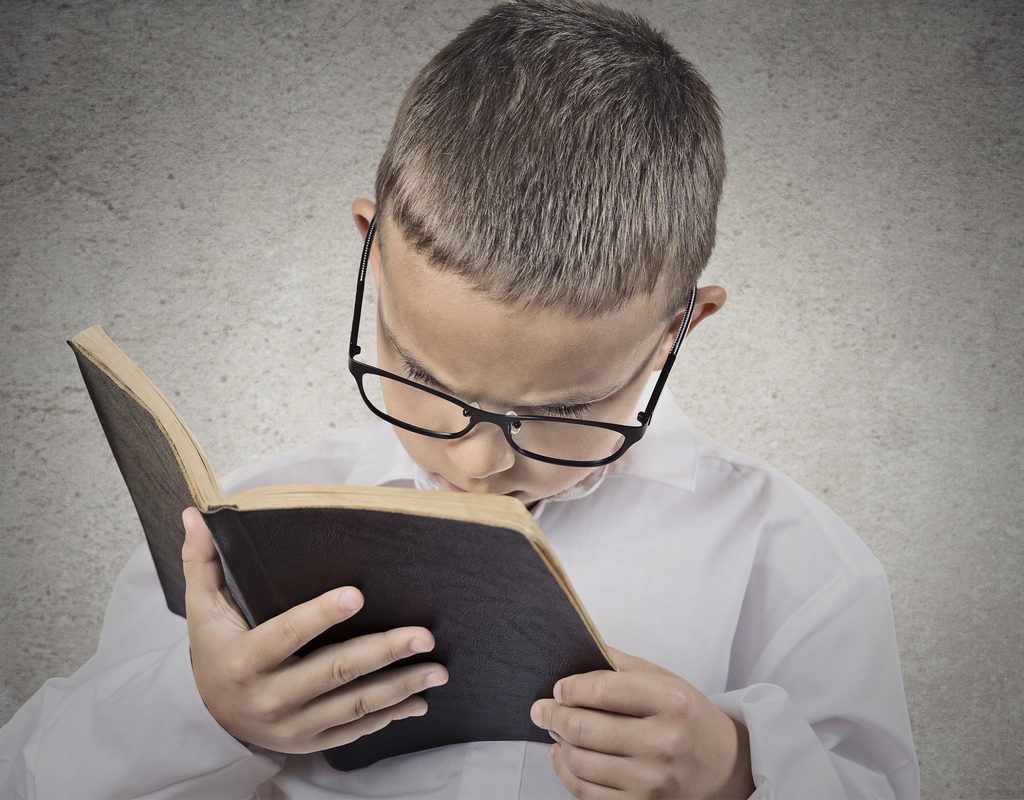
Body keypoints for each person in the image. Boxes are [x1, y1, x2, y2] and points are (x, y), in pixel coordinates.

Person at [0, 1, 920, 797]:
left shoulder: (793, 563)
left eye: (561, 411)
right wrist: (206, 712)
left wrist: (737, 771)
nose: (480, 461)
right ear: (370, 249)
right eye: (425, 380)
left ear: (683, 326)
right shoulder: (244, 528)